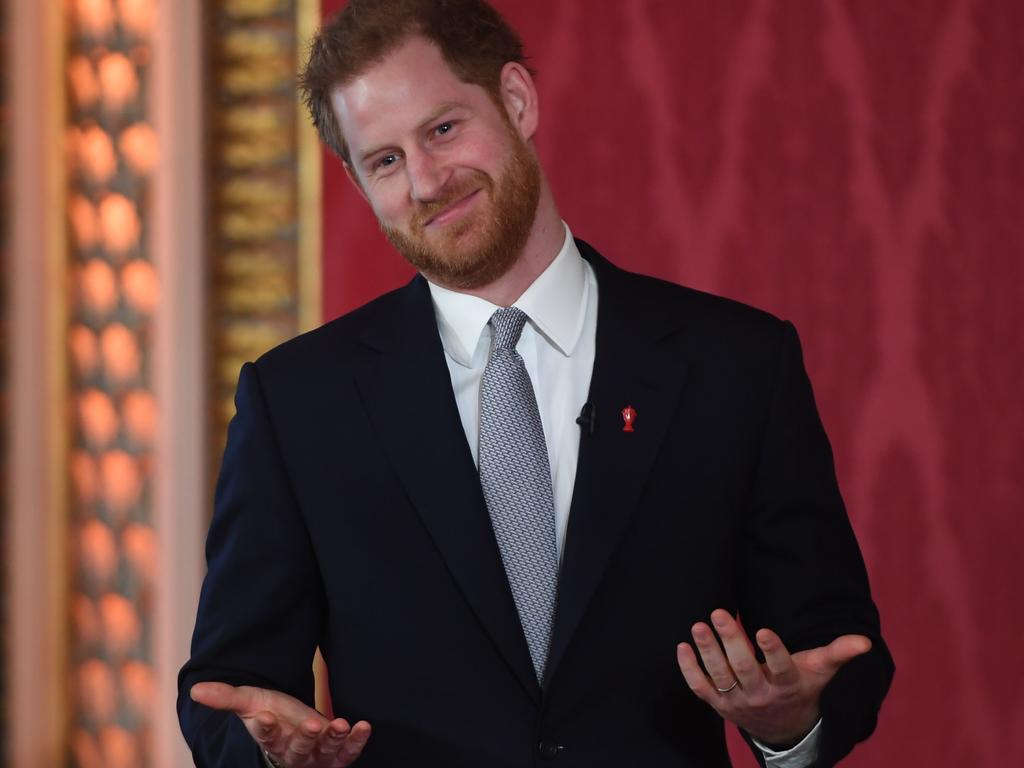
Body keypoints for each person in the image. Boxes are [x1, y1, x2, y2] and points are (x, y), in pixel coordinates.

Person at [178, 1, 893, 766]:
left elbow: (835, 652)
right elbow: (231, 692)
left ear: (516, 101)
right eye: (384, 161)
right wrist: (268, 758)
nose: (424, 181)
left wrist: (790, 720)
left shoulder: (736, 365)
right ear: (357, 182)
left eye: (443, 129)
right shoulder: (296, 404)